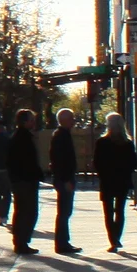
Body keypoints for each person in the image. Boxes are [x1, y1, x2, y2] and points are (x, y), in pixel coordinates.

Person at [95, 112, 137, 252]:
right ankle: (117, 238)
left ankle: (112, 240)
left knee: (108, 212)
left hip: (107, 181)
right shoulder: (127, 143)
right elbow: (134, 163)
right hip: (122, 180)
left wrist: (103, 173)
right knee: (119, 211)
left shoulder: (102, 142)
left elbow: (97, 163)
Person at [4, 107, 43, 254]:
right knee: (28, 212)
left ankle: (21, 241)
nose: (34, 123)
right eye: (32, 120)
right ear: (25, 122)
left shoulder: (19, 136)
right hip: (25, 181)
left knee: (22, 211)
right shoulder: (23, 138)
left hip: (21, 180)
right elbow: (26, 161)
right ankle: (22, 241)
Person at [49, 105, 82, 255]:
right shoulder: (61, 136)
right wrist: (66, 179)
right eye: (71, 118)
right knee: (64, 211)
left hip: (64, 178)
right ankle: (62, 243)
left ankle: (64, 242)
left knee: (65, 212)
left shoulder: (63, 135)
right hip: (64, 179)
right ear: (64, 120)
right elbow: (60, 160)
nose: (74, 121)